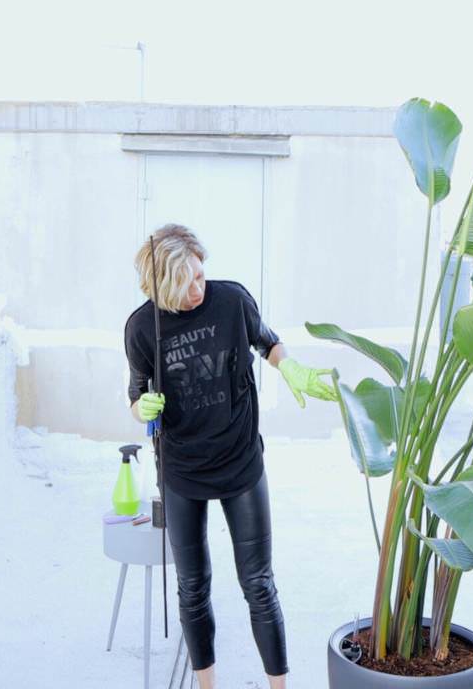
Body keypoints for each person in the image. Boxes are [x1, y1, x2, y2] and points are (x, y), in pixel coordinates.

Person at [123, 224, 338, 689]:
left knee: (258, 585)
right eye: (186, 284)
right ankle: (208, 685)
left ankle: (278, 685)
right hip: (181, 470)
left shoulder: (232, 301)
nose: (199, 289)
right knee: (193, 589)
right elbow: (135, 394)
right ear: (161, 286)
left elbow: (267, 341)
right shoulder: (142, 328)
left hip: (240, 461)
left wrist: (291, 367)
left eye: (201, 275)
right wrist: (144, 408)